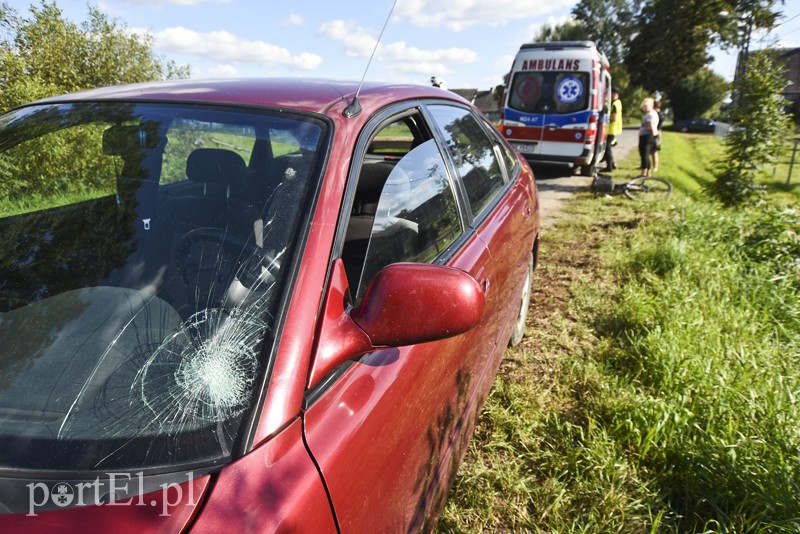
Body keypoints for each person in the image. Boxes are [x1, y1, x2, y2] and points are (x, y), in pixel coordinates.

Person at [638, 97, 659, 177]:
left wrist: (653, 135)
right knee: (646, 155)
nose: (644, 108)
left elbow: (651, 126)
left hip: (647, 137)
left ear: (651, 105)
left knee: (644, 155)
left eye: (646, 106)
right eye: (644, 106)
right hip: (647, 136)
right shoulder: (651, 114)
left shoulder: (650, 114)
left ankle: (644, 172)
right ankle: (648, 173)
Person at [604, 87, 622, 171]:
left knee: (607, 148)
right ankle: (612, 164)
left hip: (612, 129)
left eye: (611, 93)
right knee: (608, 147)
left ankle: (609, 167)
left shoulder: (615, 104)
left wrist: (605, 121)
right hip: (613, 129)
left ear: (615, 94)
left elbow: (614, 118)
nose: (610, 94)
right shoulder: (616, 102)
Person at [651, 101, 663, 173]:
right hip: (655, 132)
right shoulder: (656, 113)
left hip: (656, 133)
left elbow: (659, 125)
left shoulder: (658, 114)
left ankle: (655, 167)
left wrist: (656, 131)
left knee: (654, 151)